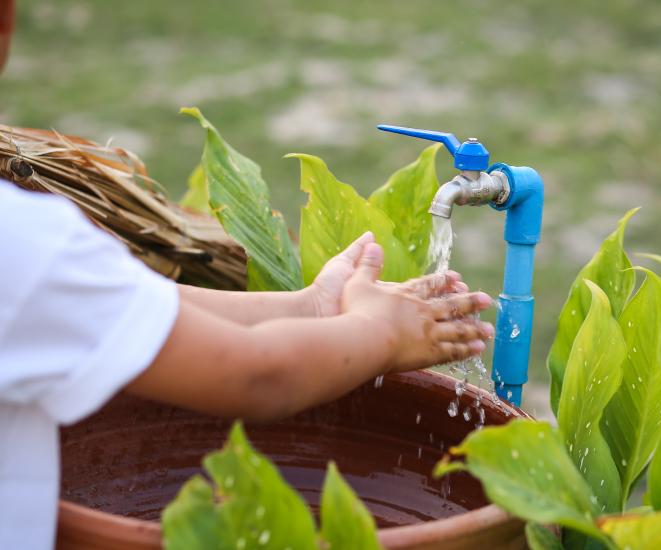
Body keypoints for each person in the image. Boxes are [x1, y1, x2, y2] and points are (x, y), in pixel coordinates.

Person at [0, 8, 494, 547]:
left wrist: (311, 308)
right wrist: (380, 334)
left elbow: (144, 308)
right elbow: (258, 376)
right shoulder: (23, 245)